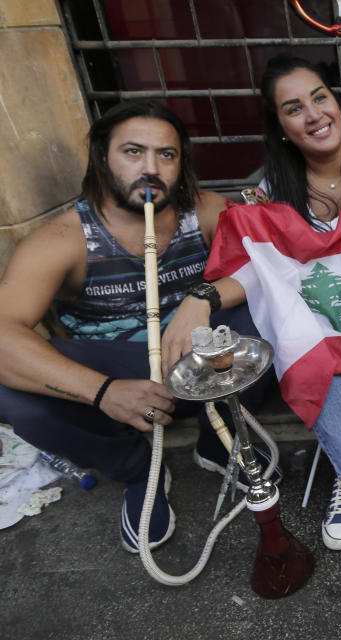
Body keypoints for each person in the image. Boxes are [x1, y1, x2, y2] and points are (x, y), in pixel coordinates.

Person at [166, 53, 341, 576]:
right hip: (316, 326)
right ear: (281, 127)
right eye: (294, 108)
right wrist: (200, 297)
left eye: (320, 97)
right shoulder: (266, 193)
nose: (314, 114)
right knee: (305, 338)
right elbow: (254, 273)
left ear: (339, 104)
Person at [0, 100, 273, 554]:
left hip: (202, 371)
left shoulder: (203, 211)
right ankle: (137, 469)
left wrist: (201, 299)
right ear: (102, 158)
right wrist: (103, 390)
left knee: (264, 315)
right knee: (9, 390)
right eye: (133, 152)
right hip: (122, 382)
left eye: (166, 155)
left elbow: (269, 264)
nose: (151, 168)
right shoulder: (62, 238)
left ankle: (220, 442)